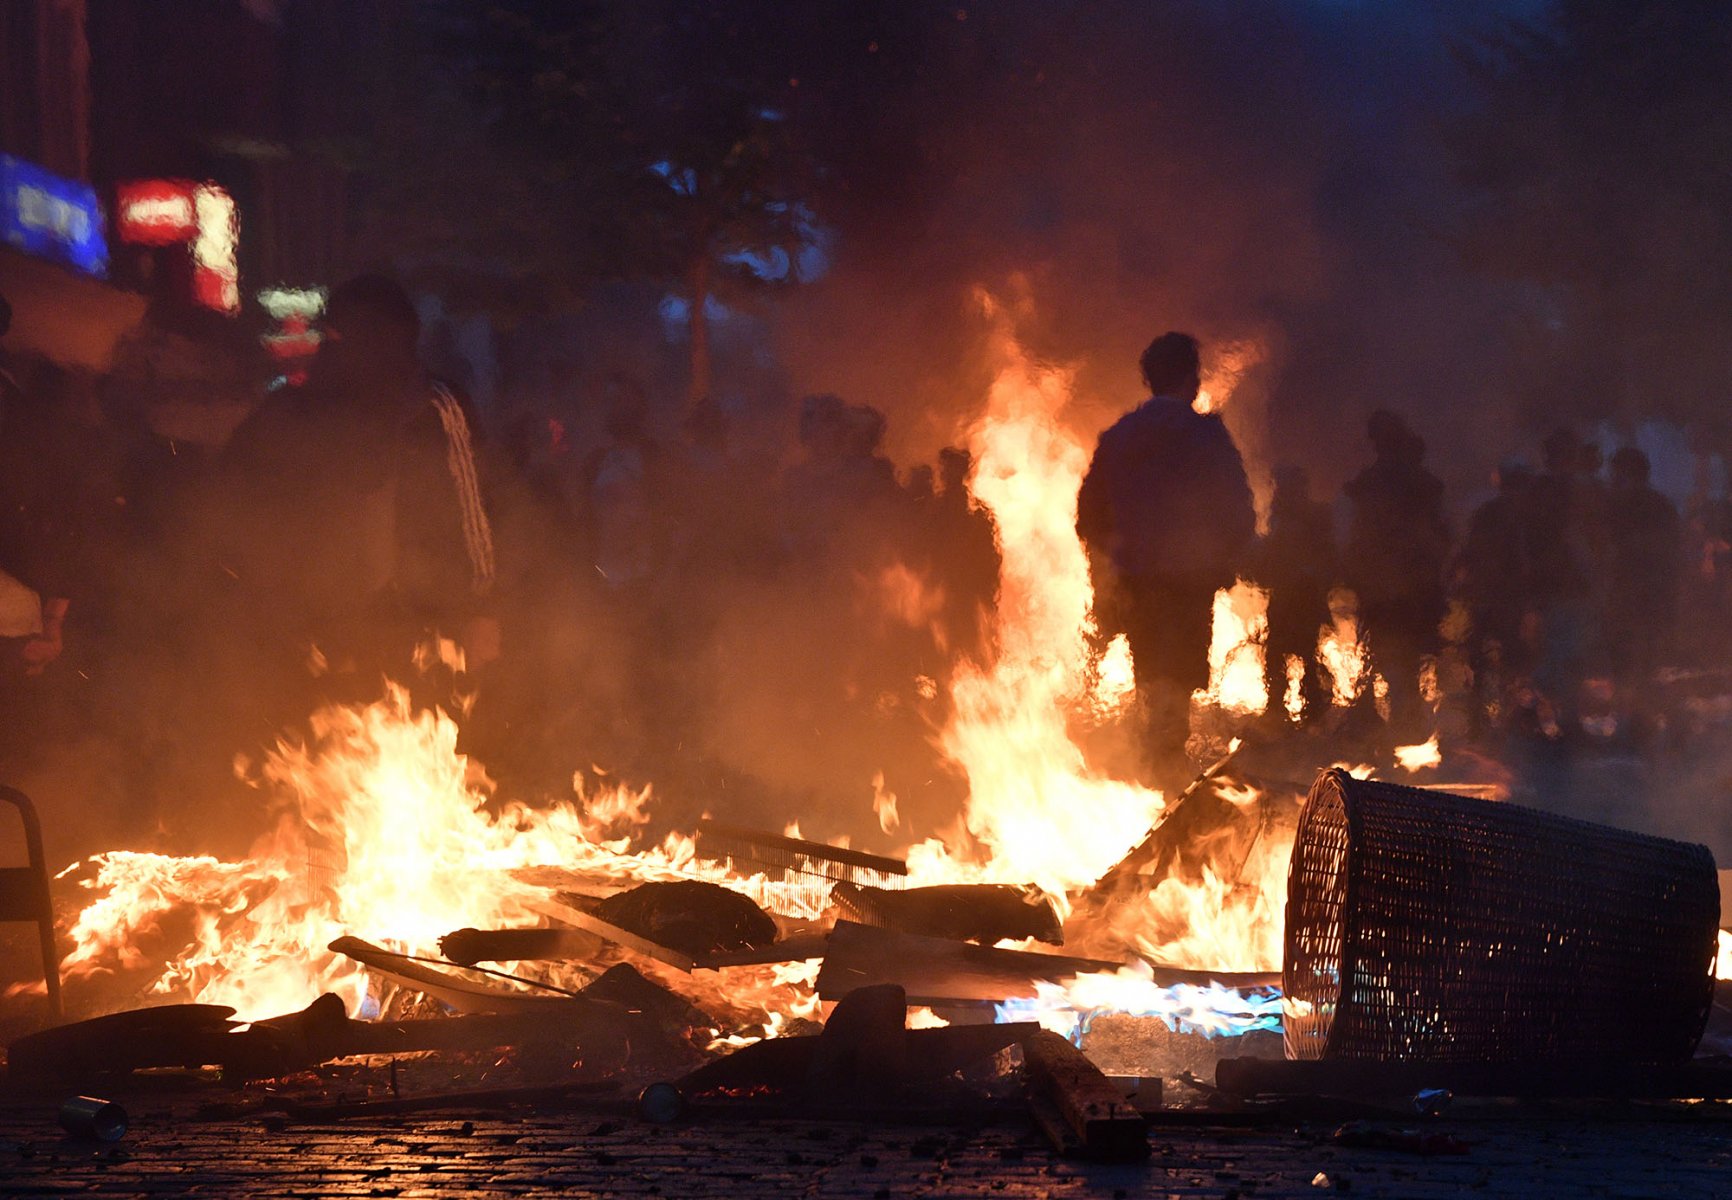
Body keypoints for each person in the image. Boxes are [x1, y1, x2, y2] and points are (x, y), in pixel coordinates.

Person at [222, 275, 498, 697]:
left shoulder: (430, 407)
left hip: (417, 633)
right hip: (315, 637)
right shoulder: (291, 415)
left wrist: (480, 609)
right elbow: (234, 517)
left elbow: (472, 511)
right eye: (334, 334)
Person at [1077, 332, 1255, 769]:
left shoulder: (1119, 437)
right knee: (1176, 679)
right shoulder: (1205, 436)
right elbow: (1236, 509)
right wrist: (1225, 561)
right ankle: (1166, 772)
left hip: (1138, 584)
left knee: (1153, 677)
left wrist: (1112, 571)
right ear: (1191, 378)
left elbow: (1089, 516)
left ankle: (1154, 763)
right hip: (1187, 584)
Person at [1341, 410, 1449, 739]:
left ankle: (1407, 722)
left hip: (1403, 586)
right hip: (1394, 586)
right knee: (1400, 656)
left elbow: (1434, 533)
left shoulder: (1389, 484)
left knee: (1403, 655)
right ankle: (1406, 722)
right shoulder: (1393, 483)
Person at [1250, 464, 1336, 723]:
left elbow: (1317, 559)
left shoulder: (1297, 519)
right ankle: (1299, 710)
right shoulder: (1297, 518)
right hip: (1297, 598)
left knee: (1287, 655)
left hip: (1297, 598)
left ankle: (1286, 710)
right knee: (1294, 654)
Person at [1602, 446, 1680, 694]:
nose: (1613, 478)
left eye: (1618, 472)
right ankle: (1636, 705)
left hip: (1638, 588)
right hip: (1638, 588)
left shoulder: (1622, 506)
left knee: (1634, 650)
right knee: (1636, 650)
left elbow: (1669, 547)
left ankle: (1636, 706)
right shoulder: (1655, 504)